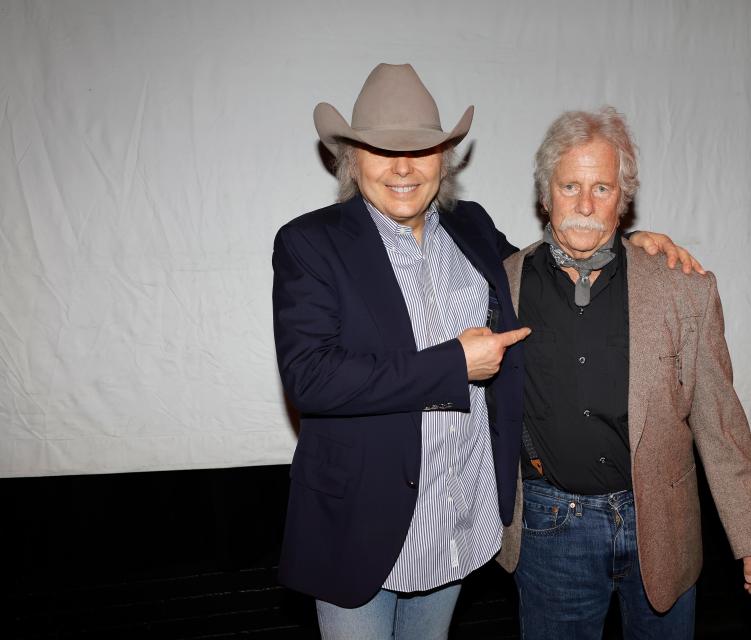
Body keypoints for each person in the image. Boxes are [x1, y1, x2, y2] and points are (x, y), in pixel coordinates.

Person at [272, 64, 700, 640]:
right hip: (361, 525)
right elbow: (310, 378)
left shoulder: (469, 226)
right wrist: (452, 364)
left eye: (421, 150)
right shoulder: (310, 242)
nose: (403, 167)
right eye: (380, 150)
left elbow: (546, 276)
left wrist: (624, 244)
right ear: (351, 160)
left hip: (455, 520)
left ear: (443, 159)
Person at [495, 108, 751, 640]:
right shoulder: (502, 285)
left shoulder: (683, 289)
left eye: (602, 188)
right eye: (570, 186)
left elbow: (719, 422)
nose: (584, 205)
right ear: (545, 195)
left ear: (623, 200)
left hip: (663, 525)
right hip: (550, 530)